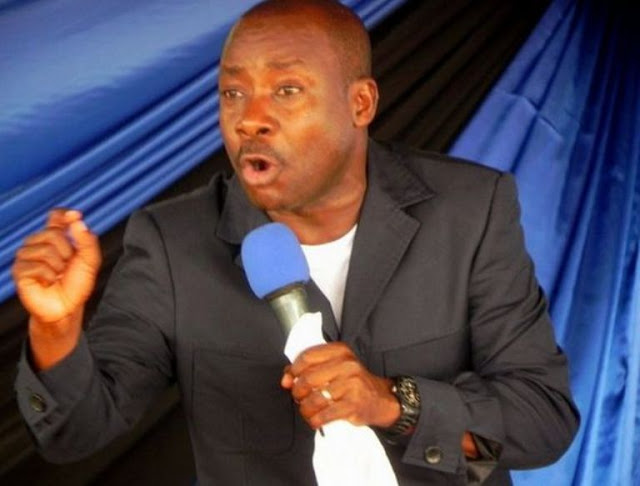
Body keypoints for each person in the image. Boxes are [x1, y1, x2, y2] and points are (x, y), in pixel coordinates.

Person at [12, 0, 579, 484]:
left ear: (360, 104)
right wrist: (55, 328)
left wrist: (392, 402)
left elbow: (542, 420)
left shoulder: (470, 210)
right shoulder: (172, 242)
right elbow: (74, 435)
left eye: (286, 90)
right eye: (233, 92)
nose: (249, 119)